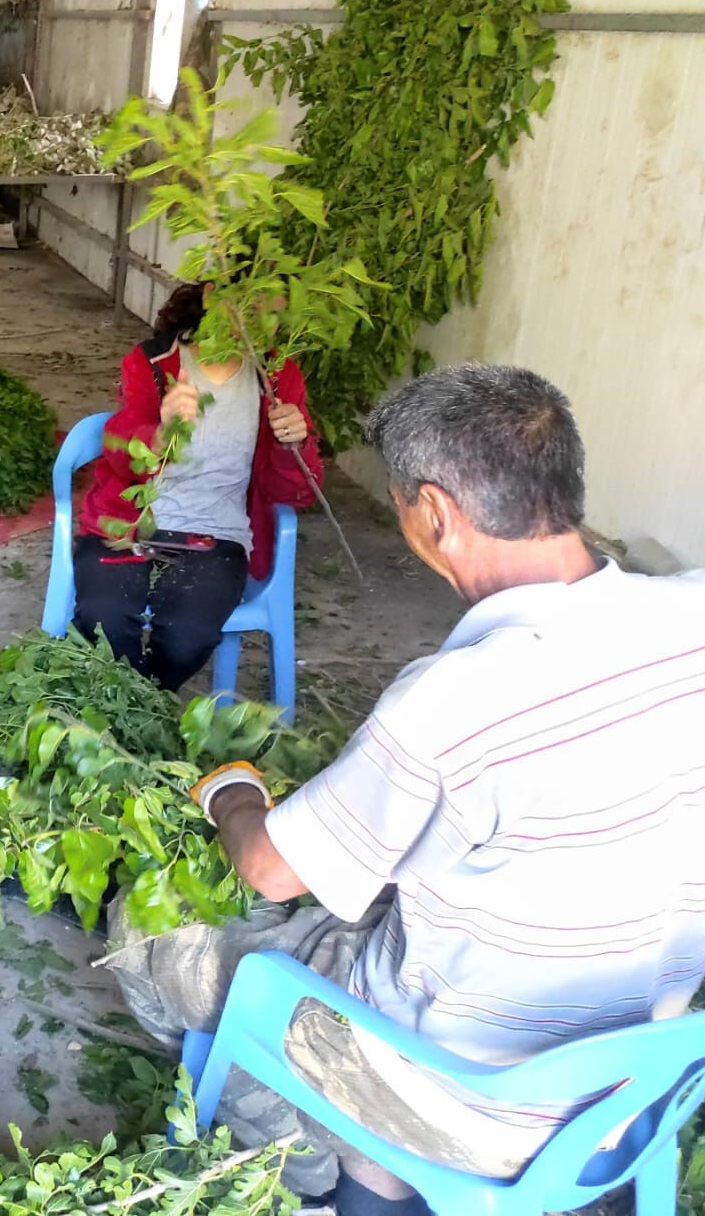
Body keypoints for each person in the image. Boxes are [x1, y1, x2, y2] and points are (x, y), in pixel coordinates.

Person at [103, 363, 705, 1215]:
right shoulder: (694, 614)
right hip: (645, 1077)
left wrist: (232, 790)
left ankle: (311, 1163)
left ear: (435, 513)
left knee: (152, 934)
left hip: (463, 1100)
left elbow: (271, 871)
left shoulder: (457, 698)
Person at [74, 282, 322, 689]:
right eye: (259, 307)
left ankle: (129, 703)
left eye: (280, 314)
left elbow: (294, 492)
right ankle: (131, 709)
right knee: (105, 617)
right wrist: (160, 432)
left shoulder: (276, 377)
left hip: (215, 536)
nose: (269, 324)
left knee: (189, 635)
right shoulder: (155, 362)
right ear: (216, 295)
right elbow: (120, 451)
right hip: (129, 525)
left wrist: (295, 443)